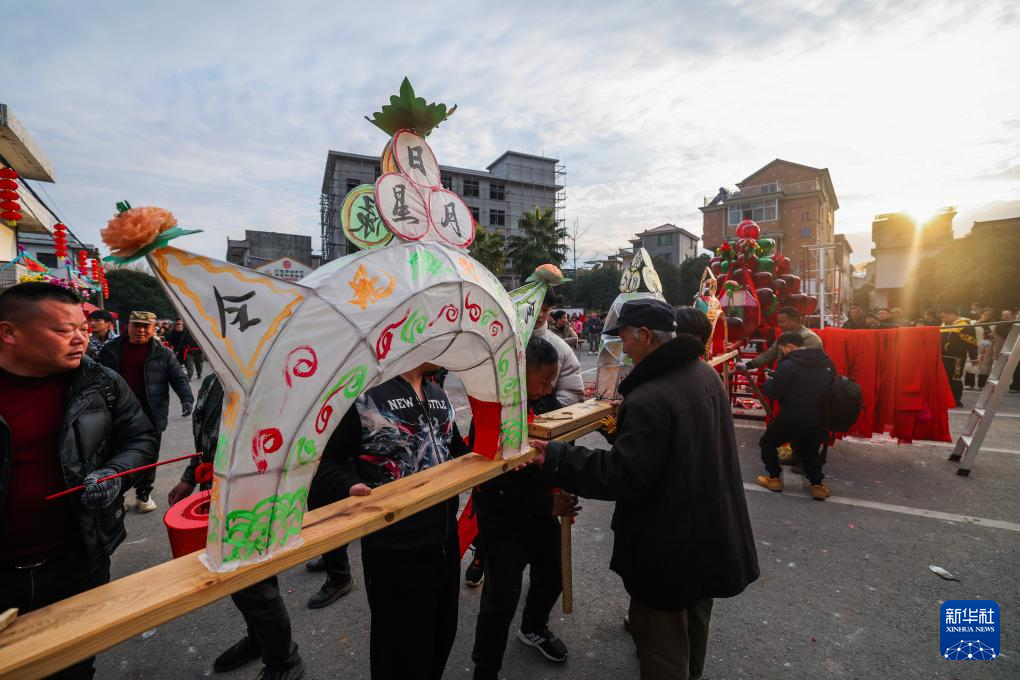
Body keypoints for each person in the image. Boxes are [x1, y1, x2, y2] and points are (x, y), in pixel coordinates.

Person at [531, 302, 759, 680]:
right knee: (694, 622)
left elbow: (623, 474)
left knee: (663, 642)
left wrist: (557, 457)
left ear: (646, 336)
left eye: (624, 338)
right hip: (709, 533)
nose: (623, 348)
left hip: (669, 544)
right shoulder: (702, 373)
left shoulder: (651, 396)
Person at [0, 282, 158, 680]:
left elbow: (140, 438)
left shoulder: (100, 383)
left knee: (73, 664)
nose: (80, 339)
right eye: (62, 330)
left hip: (78, 557)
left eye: (83, 329)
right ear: (9, 333)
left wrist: (115, 474)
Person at [309, 364, 470, 680]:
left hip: (445, 542)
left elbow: (459, 453)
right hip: (394, 550)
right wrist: (348, 486)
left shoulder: (438, 394)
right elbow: (323, 464)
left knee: (441, 635)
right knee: (399, 651)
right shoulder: (363, 396)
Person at [167, 375, 307, 680]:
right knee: (240, 581)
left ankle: (285, 661)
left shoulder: (267, 379)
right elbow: (206, 440)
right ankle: (259, 640)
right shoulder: (211, 381)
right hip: (218, 496)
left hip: (252, 499)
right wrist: (191, 477)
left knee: (256, 586)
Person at [470, 337, 579, 679]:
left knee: (553, 574)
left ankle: (533, 627)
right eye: (544, 380)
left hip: (542, 514)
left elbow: (563, 442)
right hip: (503, 520)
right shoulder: (494, 413)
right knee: (501, 597)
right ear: (522, 373)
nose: (550, 387)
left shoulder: (546, 403)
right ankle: (485, 667)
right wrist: (548, 504)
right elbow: (491, 487)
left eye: (552, 380)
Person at [99, 311, 194, 512]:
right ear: (128, 326)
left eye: (145, 327)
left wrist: (186, 398)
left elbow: (178, 378)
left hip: (152, 414)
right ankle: (119, 494)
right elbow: (97, 378)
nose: (140, 330)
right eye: (136, 325)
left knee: (149, 456)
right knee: (116, 454)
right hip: (118, 413)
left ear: (153, 329)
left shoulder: (164, 353)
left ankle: (143, 493)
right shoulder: (111, 350)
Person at [755, 332, 836, 500]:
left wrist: (770, 381)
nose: (782, 352)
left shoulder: (788, 365)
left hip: (792, 417)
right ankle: (817, 486)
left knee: (768, 443)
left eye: (782, 349)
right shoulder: (827, 362)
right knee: (811, 450)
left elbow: (775, 392)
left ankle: (774, 478)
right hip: (818, 418)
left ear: (789, 346)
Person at [532, 290, 585, 405]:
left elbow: (572, 391)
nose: (540, 315)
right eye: (534, 308)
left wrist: (550, 409)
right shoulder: (505, 340)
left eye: (545, 310)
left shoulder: (561, 347)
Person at [736, 306, 821, 373]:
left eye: (782, 322)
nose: (779, 325)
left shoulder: (810, 338)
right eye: (778, 322)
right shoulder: (784, 336)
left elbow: (808, 365)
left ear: (795, 320)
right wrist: (747, 365)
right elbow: (769, 354)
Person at [938, 307, 977, 407]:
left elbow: (971, 342)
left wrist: (973, 357)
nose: (942, 319)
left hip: (957, 358)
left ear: (951, 314)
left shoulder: (965, 325)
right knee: (943, 379)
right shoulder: (944, 324)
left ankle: (956, 399)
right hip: (943, 357)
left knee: (955, 379)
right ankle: (944, 398)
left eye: (943, 317)